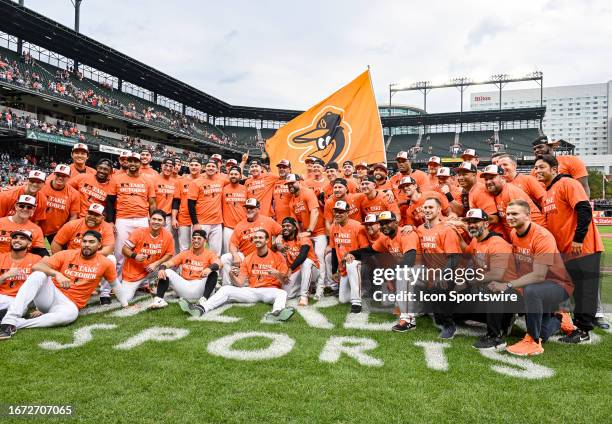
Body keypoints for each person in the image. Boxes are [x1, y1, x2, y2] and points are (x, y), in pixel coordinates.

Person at [0, 230, 124, 340]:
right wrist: (57, 274)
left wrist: (125, 304)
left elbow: (115, 284)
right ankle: (9, 320)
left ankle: (18, 323)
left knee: (70, 316)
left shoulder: (105, 263)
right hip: (51, 294)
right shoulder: (67, 254)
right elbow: (37, 266)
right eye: (84, 241)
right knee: (38, 275)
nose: (86, 244)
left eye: (91, 242)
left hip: (70, 304)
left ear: (99, 244)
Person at [534, 154, 604, 341]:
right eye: (536, 168)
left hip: (583, 247)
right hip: (567, 251)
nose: (537, 171)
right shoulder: (547, 192)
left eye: (542, 167)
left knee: (585, 290)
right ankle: (571, 324)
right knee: (573, 290)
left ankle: (583, 330)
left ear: (554, 169)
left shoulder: (568, 183)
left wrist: (579, 239)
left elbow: (584, 208)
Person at [493, 200, 573, 356]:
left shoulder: (542, 236)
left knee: (531, 291)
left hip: (558, 284)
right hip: (537, 285)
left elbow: (539, 274)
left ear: (528, 215)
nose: (509, 217)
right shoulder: (513, 233)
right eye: (508, 214)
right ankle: (558, 318)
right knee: (544, 330)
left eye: (515, 213)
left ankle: (533, 341)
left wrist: (509, 284)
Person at [178, 229, 295, 323]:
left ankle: (276, 313)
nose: (257, 240)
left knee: (282, 293)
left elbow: (285, 281)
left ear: (267, 240)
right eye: (255, 238)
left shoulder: (277, 256)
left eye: (260, 237)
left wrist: (276, 273)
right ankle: (200, 309)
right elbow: (239, 283)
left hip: (270, 290)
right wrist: (231, 275)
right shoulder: (249, 258)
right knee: (226, 289)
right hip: (252, 290)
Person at [459, 209, 517, 350]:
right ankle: (504, 319)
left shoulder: (497, 243)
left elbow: (497, 275)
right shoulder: (475, 240)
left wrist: (467, 281)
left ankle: (495, 336)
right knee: (457, 306)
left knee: (492, 288)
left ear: (486, 223)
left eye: (475, 222)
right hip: (488, 286)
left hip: (513, 290)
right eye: (469, 222)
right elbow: (466, 251)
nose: (471, 225)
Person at [417, 197, 462, 339]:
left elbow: (454, 257)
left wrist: (443, 275)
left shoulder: (447, 230)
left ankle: (450, 325)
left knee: (440, 288)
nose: (427, 210)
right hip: (431, 273)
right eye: (425, 207)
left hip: (451, 272)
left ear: (438, 210)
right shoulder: (420, 229)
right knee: (437, 318)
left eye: (431, 207)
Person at [106, 152, 156, 273]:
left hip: (142, 218)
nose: (133, 163)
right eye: (130, 161)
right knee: (119, 252)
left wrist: (153, 220)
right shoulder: (116, 178)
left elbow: (152, 202)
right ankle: (116, 282)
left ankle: (141, 282)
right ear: (126, 162)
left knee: (143, 251)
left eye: (136, 161)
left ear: (140, 163)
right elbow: (110, 201)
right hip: (123, 219)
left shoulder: (147, 180)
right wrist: (110, 221)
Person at [151, 229, 220, 308]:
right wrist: (162, 269)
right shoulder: (185, 253)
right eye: (194, 238)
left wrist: (209, 269)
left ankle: (204, 300)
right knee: (166, 271)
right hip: (185, 286)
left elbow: (219, 264)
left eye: (199, 238)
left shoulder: (209, 254)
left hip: (200, 287)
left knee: (213, 273)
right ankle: (159, 300)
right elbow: (168, 263)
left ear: (205, 241)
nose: (196, 240)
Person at [120, 210, 174, 307]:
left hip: (152, 269)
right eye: (154, 219)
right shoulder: (138, 232)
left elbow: (169, 254)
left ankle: (153, 284)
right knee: (125, 298)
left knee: (167, 271)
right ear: (149, 220)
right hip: (133, 273)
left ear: (164, 222)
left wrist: (156, 263)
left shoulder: (168, 235)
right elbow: (124, 249)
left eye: (159, 220)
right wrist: (135, 256)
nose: (156, 222)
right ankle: (140, 286)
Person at [220, 198, 281, 285]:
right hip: (246, 257)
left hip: (264, 258)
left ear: (258, 209)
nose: (248, 210)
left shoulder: (268, 221)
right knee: (225, 258)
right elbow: (233, 243)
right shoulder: (240, 225)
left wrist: (280, 236)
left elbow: (281, 231)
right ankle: (227, 286)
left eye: (251, 208)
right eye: (247, 208)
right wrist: (235, 255)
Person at [286, 174, 327, 297]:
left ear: (299, 182)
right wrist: (298, 236)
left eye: (292, 183)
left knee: (319, 255)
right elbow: (295, 223)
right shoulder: (291, 201)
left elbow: (314, 211)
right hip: (305, 233)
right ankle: (310, 285)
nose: (290, 186)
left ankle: (321, 286)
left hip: (318, 231)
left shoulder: (307, 192)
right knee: (306, 258)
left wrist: (309, 230)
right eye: (288, 184)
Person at [480, 164, 544, 240]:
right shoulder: (496, 192)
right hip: (521, 235)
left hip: (534, 234)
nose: (488, 182)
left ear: (502, 178)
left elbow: (523, 220)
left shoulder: (511, 192)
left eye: (491, 178)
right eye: (486, 179)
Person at [328, 200, 369, 313]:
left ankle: (356, 302)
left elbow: (365, 250)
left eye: (341, 212)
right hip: (344, 267)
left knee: (351, 264)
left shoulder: (357, 226)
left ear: (347, 213)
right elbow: (333, 249)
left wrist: (352, 255)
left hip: (359, 264)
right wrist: (334, 271)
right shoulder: (333, 227)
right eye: (336, 211)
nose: (337, 214)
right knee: (343, 299)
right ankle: (362, 291)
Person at [276, 217, 320, 306]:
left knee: (306, 262)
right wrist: (277, 244)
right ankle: (305, 287)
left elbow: (302, 255)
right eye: (283, 226)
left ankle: (304, 296)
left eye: (288, 226)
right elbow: (272, 250)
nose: (285, 228)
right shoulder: (282, 241)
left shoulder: (303, 238)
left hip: (312, 270)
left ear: (295, 227)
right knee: (287, 295)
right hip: (296, 271)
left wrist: (290, 269)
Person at [187, 159, 226, 256]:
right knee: (196, 251)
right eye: (209, 166)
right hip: (201, 222)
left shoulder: (221, 180)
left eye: (213, 166)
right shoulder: (196, 182)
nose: (211, 168)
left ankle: (214, 271)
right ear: (204, 168)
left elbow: (237, 178)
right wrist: (195, 223)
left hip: (216, 223)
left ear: (217, 169)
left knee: (216, 253)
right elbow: (191, 204)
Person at [0, 230, 42, 318]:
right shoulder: (1, 258)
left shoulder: (36, 259)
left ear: (29, 244)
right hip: (2, 296)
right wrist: (6, 275)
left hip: (21, 300)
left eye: (22, 238)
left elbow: (43, 284)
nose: (17, 240)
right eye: (15, 238)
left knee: (18, 309)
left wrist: (41, 308)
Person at [40, 164, 79, 243]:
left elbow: (74, 216)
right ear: (54, 174)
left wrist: (65, 230)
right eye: (58, 175)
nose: (60, 178)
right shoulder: (42, 186)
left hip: (57, 230)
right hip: (38, 227)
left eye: (64, 176)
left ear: (69, 177)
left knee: (60, 253)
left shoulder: (74, 193)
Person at [174, 157, 202, 252]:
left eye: (196, 165)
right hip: (184, 218)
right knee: (184, 248)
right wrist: (174, 218)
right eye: (192, 165)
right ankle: (182, 267)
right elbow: (176, 201)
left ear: (201, 167)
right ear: (188, 166)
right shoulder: (181, 181)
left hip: (199, 218)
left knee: (198, 248)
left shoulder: (205, 180)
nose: (194, 167)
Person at [221, 166, 247, 254]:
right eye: (231, 174)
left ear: (240, 176)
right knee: (228, 254)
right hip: (228, 227)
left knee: (242, 254)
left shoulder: (245, 189)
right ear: (228, 175)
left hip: (243, 226)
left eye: (236, 174)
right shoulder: (223, 189)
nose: (233, 176)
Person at [154, 157, 180, 233]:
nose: (168, 168)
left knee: (165, 241)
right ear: (161, 165)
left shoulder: (175, 182)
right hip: (154, 215)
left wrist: (174, 218)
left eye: (171, 166)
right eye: (166, 165)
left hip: (168, 217)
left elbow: (176, 201)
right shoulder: (153, 179)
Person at [272, 159, 293, 223]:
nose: (281, 169)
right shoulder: (274, 183)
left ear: (290, 169)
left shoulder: (294, 182)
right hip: (278, 219)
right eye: (279, 167)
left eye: (284, 167)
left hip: (292, 219)